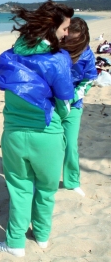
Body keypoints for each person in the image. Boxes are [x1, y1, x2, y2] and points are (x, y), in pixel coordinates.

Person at [0, 0, 74, 257]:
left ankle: (15, 243)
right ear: (52, 28)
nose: (67, 33)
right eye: (65, 28)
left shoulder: (9, 56)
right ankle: (43, 236)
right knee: (46, 190)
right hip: (47, 136)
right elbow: (65, 105)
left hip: (13, 135)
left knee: (20, 189)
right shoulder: (58, 60)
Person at [60, 17, 97, 197]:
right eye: (68, 39)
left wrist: (72, 97)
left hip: (74, 105)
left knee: (70, 144)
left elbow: (88, 79)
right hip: (52, 103)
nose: (69, 43)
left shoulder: (87, 54)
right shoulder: (57, 47)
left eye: (74, 40)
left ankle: (72, 181)